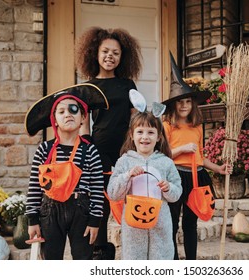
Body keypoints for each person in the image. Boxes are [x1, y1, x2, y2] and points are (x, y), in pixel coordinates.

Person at [74, 26, 142, 259]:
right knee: (100, 200)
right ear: (95, 53)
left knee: (132, 196)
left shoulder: (128, 85)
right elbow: (84, 123)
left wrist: (137, 146)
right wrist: (86, 147)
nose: (110, 56)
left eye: (115, 52)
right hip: (99, 148)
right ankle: (99, 249)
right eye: (105, 51)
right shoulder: (88, 87)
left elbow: (135, 117)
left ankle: (135, 245)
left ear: (122, 57)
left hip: (126, 149)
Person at [24, 84, 108, 260]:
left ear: (83, 117)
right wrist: (32, 219)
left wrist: (95, 221)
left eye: (73, 109)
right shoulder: (44, 150)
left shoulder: (90, 150)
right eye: (61, 111)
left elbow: (97, 189)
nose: (68, 114)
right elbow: (34, 187)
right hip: (50, 212)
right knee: (52, 259)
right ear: (54, 120)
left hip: (81, 211)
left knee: (82, 259)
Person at [162, 53, 230, 260]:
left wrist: (217, 168)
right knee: (172, 223)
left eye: (187, 102)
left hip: (196, 176)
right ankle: (173, 261)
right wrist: (181, 149)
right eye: (180, 102)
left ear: (193, 104)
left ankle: (191, 262)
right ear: (174, 105)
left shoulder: (197, 127)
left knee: (190, 223)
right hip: (176, 177)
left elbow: (199, 156)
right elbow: (162, 156)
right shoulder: (167, 126)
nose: (184, 105)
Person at [107, 110, 182, 260]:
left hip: (160, 227)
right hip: (133, 229)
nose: (145, 137)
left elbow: (177, 191)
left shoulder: (166, 162)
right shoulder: (124, 161)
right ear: (131, 135)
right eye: (140, 131)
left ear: (159, 136)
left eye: (150, 132)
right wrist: (127, 175)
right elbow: (113, 193)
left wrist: (168, 188)